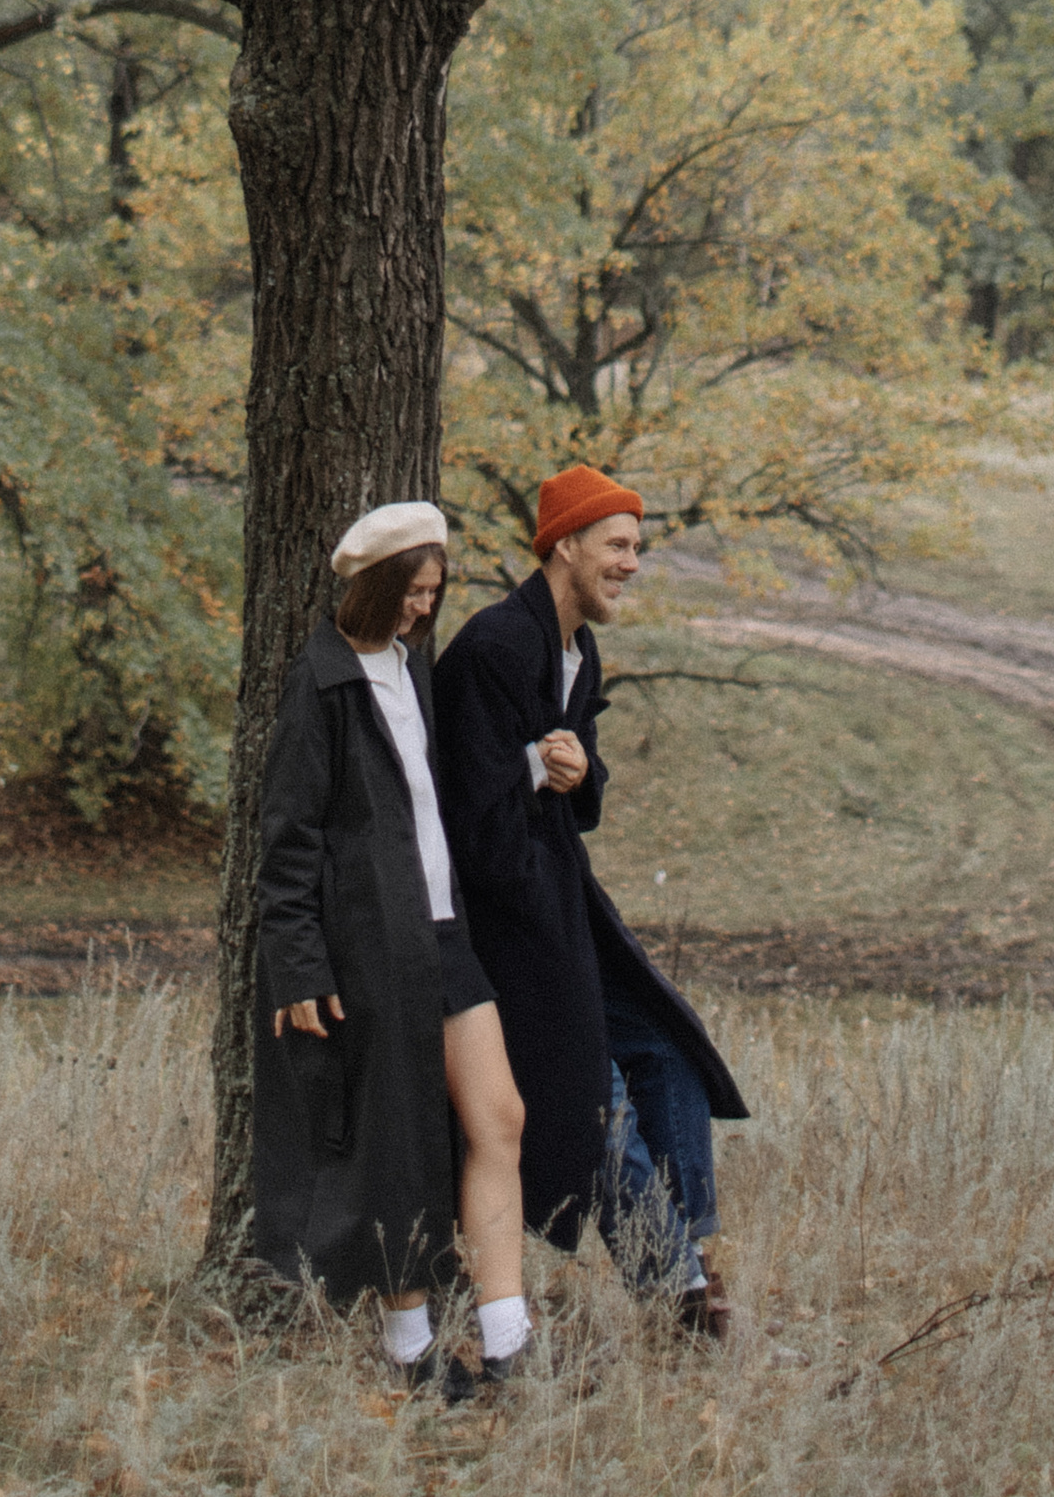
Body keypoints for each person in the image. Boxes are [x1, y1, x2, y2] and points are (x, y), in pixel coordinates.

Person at [433, 464, 747, 1337]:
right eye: (617, 545)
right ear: (563, 545)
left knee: (670, 1055)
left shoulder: (578, 650)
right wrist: (541, 768)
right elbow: (469, 826)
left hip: (565, 911)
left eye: (637, 547)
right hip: (504, 934)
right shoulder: (496, 650)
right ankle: (676, 1291)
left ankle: (693, 1258)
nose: (631, 564)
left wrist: (574, 773)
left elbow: (583, 784)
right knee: (590, 1094)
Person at [252, 500, 536, 1397]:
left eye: (435, 591)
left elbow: (433, 796)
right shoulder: (322, 684)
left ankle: (508, 1339)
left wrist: (529, 770)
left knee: (499, 1119)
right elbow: (286, 841)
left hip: (444, 931)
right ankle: (411, 1353)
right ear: (378, 587)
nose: (425, 609)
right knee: (398, 1147)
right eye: (414, 592)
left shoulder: (412, 670)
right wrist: (299, 964)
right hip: (369, 948)